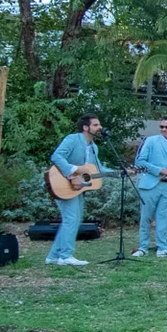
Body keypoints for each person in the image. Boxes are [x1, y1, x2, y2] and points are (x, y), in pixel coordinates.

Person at [48, 113, 112, 265]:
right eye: (96, 125)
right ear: (85, 127)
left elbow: (97, 169)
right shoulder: (73, 139)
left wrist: (121, 172)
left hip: (78, 188)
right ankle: (66, 256)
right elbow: (57, 157)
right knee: (71, 219)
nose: (100, 127)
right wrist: (72, 173)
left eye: (99, 125)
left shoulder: (94, 147)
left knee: (73, 219)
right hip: (62, 183)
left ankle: (53, 256)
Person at [133, 117, 167, 258]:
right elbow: (140, 161)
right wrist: (159, 170)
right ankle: (143, 247)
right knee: (146, 217)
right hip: (151, 184)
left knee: (163, 217)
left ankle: (162, 247)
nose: (164, 129)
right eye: (162, 126)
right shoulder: (151, 141)